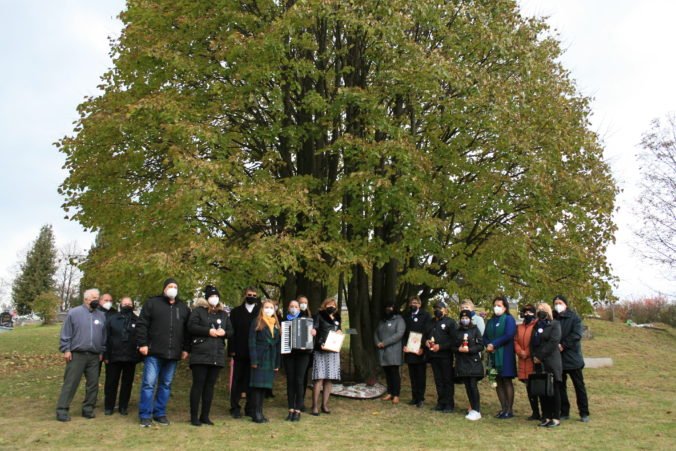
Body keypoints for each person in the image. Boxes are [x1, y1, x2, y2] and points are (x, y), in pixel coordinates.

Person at [136, 278, 191, 427]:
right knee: (149, 384)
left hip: (173, 354)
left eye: (175, 286)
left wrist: (186, 348)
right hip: (153, 352)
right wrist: (142, 343)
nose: (172, 288)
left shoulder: (183, 307)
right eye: (170, 286)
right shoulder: (152, 303)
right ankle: (145, 415)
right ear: (164, 289)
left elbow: (187, 331)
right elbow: (142, 324)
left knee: (166, 384)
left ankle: (159, 413)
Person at [56, 288, 107, 421]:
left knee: (93, 384)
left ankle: (88, 409)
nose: (96, 299)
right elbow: (66, 332)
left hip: (94, 356)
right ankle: (62, 410)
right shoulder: (74, 313)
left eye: (98, 297)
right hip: (76, 354)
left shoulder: (101, 315)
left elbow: (103, 336)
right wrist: (66, 349)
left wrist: (102, 350)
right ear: (86, 299)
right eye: (93, 297)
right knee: (71, 383)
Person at [187, 286, 233, 426]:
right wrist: (209, 331)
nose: (214, 298)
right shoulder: (198, 311)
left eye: (216, 296)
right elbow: (191, 327)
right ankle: (194, 416)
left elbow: (231, 331)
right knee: (198, 385)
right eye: (212, 296)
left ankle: (205, 415)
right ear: (206, 298)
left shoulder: (223, 314)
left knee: (210, 386)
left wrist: (223, 333)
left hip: (216, 355)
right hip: (200, 353)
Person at [553, 294, 590, 423]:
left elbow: (576, 334)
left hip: (573, 358)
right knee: (560, 386)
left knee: (579, 386)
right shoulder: (553, 317)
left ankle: (584, 412)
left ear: (565, 304)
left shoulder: (574, 318)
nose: (557, 305)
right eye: (556, 303)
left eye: (560, 303)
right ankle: (564, 411)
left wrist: (563, 345)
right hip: (558, 359)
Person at [103, 296, 140, 416]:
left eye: (129, 303)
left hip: (130, 357)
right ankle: (109, 406)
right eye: (125, 303)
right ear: (120, 304)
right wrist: (106, 355)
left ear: (133, 305)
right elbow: (106, 338)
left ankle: (123, 406)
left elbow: (140, 338)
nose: (127, 305)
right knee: (111, 382)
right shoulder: (112, 319)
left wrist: (138, 356)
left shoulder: (137, 320)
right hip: (114, 356)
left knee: (127, 383)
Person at [228, 287, 261, 418]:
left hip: (255, 353)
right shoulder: (236, 312)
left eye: (254, 295)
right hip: (239, 351)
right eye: (249, 294)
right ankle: (235, 407)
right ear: (244, 295)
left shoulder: (260, 312)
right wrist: (231, 349)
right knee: (237, 380)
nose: (251, 296)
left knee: (252, 381)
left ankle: (250, 408)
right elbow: (231, 332)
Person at [484, 295, 517, 419]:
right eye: (495, 305)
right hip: (492, 354)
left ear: (505, 307)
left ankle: (509, 409)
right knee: (497, 380)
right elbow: (485, 336)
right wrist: (488, 344)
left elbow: (509, 334)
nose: (496, 308)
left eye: (499, 306)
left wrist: (494, 344)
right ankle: (503, 408)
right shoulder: (491, 321)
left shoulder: (509, 319)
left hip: (505, 355)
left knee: (506, 380)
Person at [248, 299, 281, 423]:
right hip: (260, 357)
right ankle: (255, 413)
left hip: (270, 359)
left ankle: (260, 412)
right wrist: (254, 360)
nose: (269, 310)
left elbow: (277, 346)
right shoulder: (257, 322)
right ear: (262, 309)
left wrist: (277, 363)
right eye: (266, 307)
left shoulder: (276, 324)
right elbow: (251, 342)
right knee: (257, 387)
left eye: (271, 307)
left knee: (264, 388)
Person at [531, 303, 563, 428]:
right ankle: (546, 416)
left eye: (543, 310)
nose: (541, 311)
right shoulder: (536, 326)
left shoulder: (555, 324)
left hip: (551, 361)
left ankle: (556, 417)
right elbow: (532, 342)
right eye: (539, 310)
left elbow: (554, 341)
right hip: (539, 363)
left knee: (554, 390)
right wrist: (534, 355)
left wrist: (540, 356)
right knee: (542, 390)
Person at [311, 298, 343, 416]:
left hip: (333, 351)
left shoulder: (338, 317)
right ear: (324, 306)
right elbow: (315, 329)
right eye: (329, 305)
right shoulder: (319, 315)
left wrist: (340, 331)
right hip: (321, 350)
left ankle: (324, 404)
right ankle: (314, 405)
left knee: (329, 378)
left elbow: (339, 330)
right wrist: (320, 342)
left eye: (333, 305)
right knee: (319, 378)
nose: (331, 306)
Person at [282, 300, 312, 421]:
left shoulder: (305, 319)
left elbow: (310, 338)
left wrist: (313, 333)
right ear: (288, 308)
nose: (294, 308)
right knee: (290, 381)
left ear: (299, 308)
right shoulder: (285, 321)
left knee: (299, 381)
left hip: (303, 355)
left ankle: (298, 410)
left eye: (296, 306)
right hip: (289, 354)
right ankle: (290, 409)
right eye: (291, 306)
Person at [425, 300, 457, 413]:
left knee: (447, 380)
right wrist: (426, 342)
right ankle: (441, 402)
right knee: (438, 380)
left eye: (440, 308)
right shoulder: (430, 322)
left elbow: (454, 340)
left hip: (445, 356)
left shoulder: (450, 322)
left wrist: (441, 346)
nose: (437, 310)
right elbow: (425, 336)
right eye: (435, 308)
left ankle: (449, 404)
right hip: (433, 356)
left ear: (445, 310)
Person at [454, 309, 484, 421]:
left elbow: (481, 345)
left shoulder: (475, 329)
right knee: (467, 386)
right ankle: (472, 408)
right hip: (462, 362)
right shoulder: (457, 331)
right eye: (462, 318)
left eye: (466, 318)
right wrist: (459, 349)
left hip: (473, 361)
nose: (464, 320)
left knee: (473, 385)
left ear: (470, 319)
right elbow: (453, 346)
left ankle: (477, 409)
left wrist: (470, 349)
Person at [374, 302, 406, 404]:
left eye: (391, 307)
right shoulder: (382, 321)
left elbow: (399, 334)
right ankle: (390, 393)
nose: (389, 309)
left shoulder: (399, 320)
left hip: (393, 351)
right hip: (382, 351)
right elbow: (376, 332)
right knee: (387, 373)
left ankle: (396, 395)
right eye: (387, 307)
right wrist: (377, 342)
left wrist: (384, 343)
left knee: (394, 373)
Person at [402, 295, 431, 408]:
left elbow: (427, 332)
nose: (414, 305)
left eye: (416, 303)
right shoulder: (407, 316)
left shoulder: (426, 315)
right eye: (412, 303)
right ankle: (414, 397)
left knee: (420, 375)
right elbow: (404, 332)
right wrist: (404, 345)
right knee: (412, 375)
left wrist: (423, 347)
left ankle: (420, 398)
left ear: (420, 304)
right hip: (409, 349)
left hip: (420, 350)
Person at [514, 304, 540, 420]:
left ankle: (542, 411)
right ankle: (535, 412)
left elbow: (536, 341)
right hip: (522, 360)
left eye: (530, 312)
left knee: (537, 387)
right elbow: (515, 341)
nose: (527, 314)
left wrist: (528, 352)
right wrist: (520, 352)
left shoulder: (537, 325)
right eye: (525, 312)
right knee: (528, 388)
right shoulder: (519, 327)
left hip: (533, 360)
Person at [297, 295, 313, 412]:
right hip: (295, 352)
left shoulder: (310, 316)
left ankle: (301, 401)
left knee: (303, 378)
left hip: (306, 352)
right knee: (296, 378)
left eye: (305, 302)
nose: (303, 304)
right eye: (301, 302)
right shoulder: (293, 316)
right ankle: (295, 401)